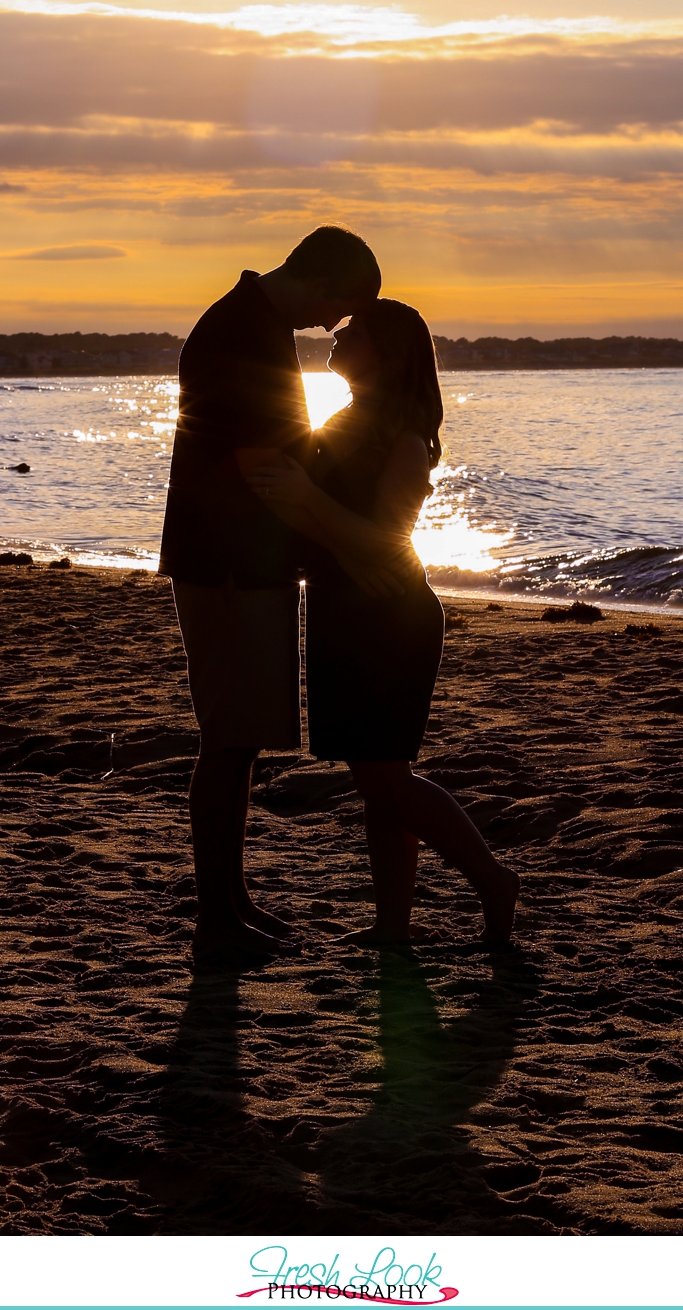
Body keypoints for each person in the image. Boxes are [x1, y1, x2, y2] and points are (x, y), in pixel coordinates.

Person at [242, 300, 519, 945]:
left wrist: (308, 500)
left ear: (388, 354)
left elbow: (388, 540)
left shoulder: (401, 431)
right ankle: (393, 926)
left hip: (387, 616)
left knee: (386, 780)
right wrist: (319, 528)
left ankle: (493, 880)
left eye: (355, 330)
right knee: (378, 781)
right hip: (343, 607)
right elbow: (323, 528)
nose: (339, 333)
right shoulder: (349, 419)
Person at [158, 225, 384, 963]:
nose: (333, 326)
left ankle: (232, 899)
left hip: (240, 560)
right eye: (340, 308)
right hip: (226, 562)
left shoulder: (254, 324)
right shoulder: (241, 333)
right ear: (321, 282)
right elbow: (265, 468)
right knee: (227, 741)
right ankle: (214, 918)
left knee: (241, 740)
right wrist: (348, 538)